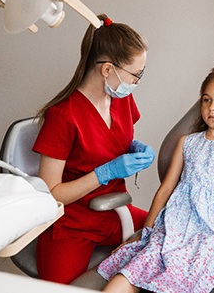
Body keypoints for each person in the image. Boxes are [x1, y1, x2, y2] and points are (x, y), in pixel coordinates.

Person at [97, 65, 214, 293]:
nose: (212, 107)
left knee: (172, 280)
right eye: (206, 100)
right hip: (171, 229)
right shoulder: (187, 143)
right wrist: (146, 232)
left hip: (209, 237)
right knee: (121, 281)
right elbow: (165, 190)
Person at [32, 14, 155, 284]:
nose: (136, 82)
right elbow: (52, 195)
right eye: (136, 74)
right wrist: (103, 173)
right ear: (107, 69)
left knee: (171, 238)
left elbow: (115, 138)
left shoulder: (121, 99)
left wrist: (134, 148)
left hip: (115, 212)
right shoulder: (62, 116)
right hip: (73, 223)